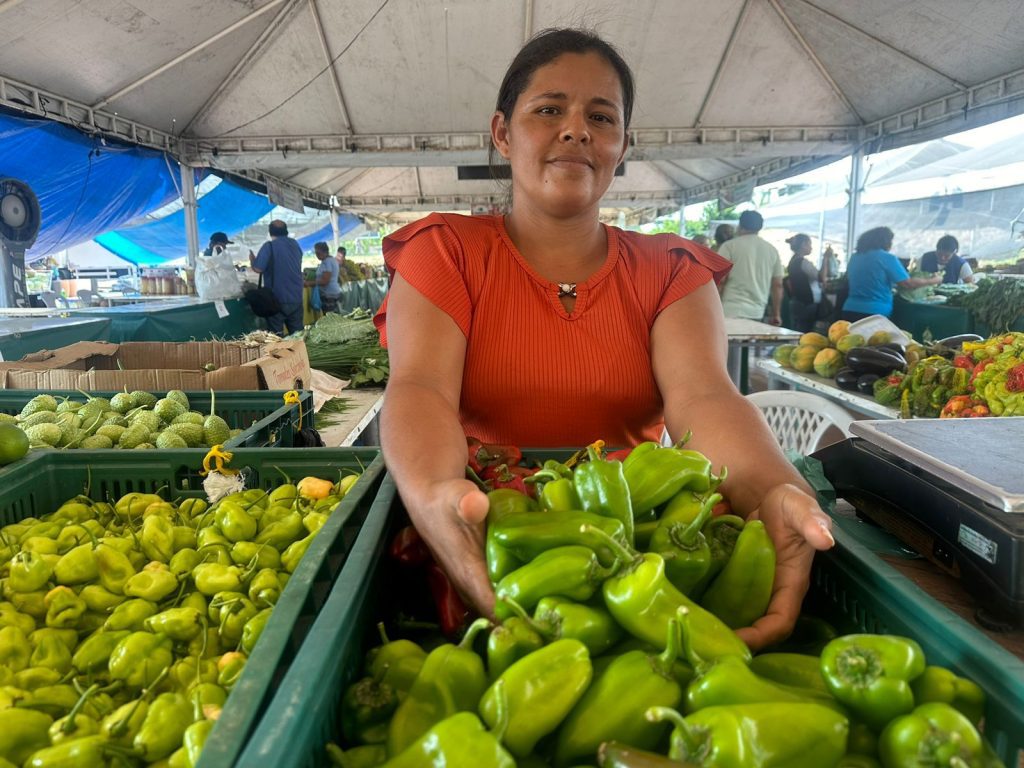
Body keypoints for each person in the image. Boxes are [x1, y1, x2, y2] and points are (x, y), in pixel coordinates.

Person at [374, 27, 834, 651]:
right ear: (503, 133)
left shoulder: (672, 270)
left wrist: (775, 489)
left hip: (635, 551)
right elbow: (419, 387)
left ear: (623, 144)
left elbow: (704, 398)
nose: (575, 129)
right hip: (488, 529)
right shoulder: (445, 253)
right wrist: (432, 496)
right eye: (548, 110)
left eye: (600, 116)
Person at [841, 226, 941, 321]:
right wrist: (932, 280)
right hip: (875, 312)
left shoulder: (855, 257)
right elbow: (908, 283)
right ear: (885, 242)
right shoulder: (887, 258)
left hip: (849, 309)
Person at [716, 210, 784, 325]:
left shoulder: (729, 246)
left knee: (727, 342)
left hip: (730, 308)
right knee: (750, 342)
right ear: (760, 227)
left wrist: (713, 307)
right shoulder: (772, 250)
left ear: (740, 225)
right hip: (757, 311)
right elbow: (777, 285)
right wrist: (776, 314)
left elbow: (720, 280)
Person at [250, 219, 304, 334]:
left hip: (277, 300)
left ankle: (280, 352)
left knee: (276, 337)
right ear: (286, 232)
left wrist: (252, 259)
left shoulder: (269, 246)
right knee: (298, 335)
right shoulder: (295, 244)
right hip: (296, 297)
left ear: (270, 233)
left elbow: (258, 269)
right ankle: (300, 352)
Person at [785, 233, 824, 333]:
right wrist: (826, 259)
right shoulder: (803, 262)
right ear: (803, 245)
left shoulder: (792, 261)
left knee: (798, 329)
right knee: (806, 331)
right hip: (807, 302)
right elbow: (821, 277)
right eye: (809, 244)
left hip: (797, 300)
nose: (811, 247)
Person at [306, 241, 342, 313]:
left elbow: (325, 281)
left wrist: (309, 283)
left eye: (318, 253)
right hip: (334, 292)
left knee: (329, 318)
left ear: (325, 252)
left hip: (329, 294)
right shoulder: (332, 260)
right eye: (316, 253)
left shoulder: (327, 262)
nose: (317, 255)